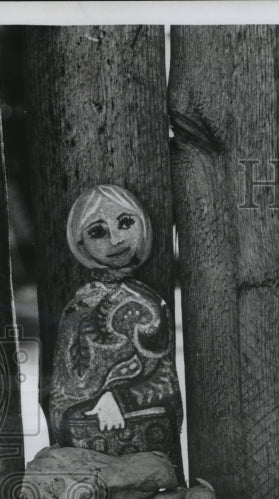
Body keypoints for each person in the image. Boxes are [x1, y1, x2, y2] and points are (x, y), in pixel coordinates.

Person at [50, 184, 184, 482]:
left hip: (139, 423)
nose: (116, 238)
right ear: (81, 244)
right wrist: (87, 405)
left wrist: (119, 399)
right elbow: (63, 386)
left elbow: (163, 378)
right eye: (98, 232)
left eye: (125, 223)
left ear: (142, 224)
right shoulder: (79, 304)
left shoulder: (148, 303)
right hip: (85, 429)